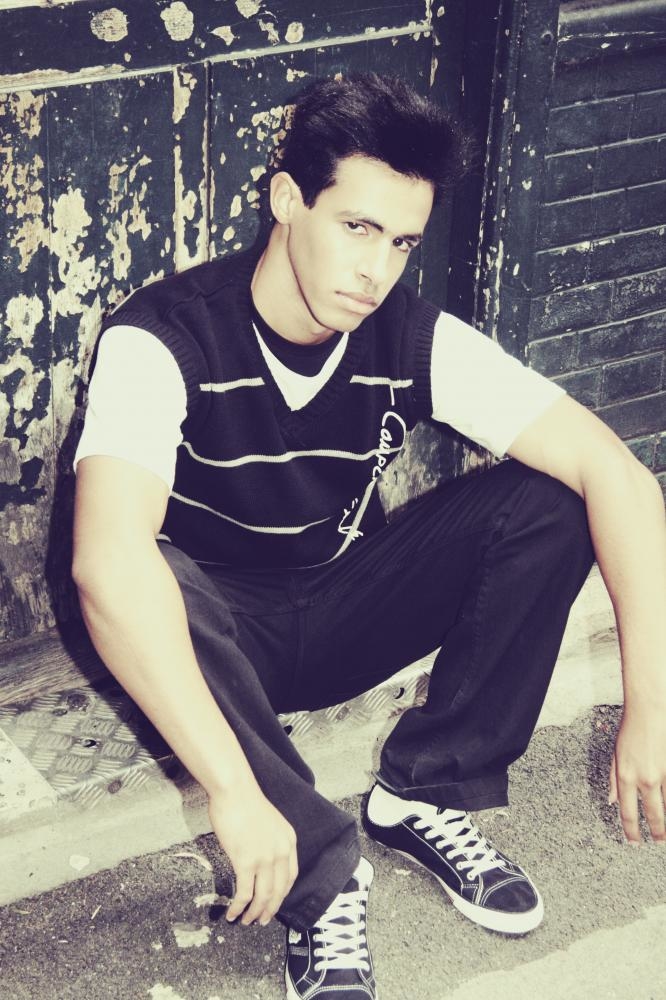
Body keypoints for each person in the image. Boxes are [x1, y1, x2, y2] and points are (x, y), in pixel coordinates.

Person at [72, 74, 666, 1000]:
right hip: (215, 641)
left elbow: (617, 474)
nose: (376, 270)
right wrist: (233, 790)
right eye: (356, 227)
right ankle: (322, 874)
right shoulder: (162, 339)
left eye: (401, 242)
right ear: (286, 201)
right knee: (148, 570)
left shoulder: (408, 336)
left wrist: (651, 709)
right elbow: (106, 566)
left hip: (339, 603)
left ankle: (425, 790)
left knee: (556, 496)